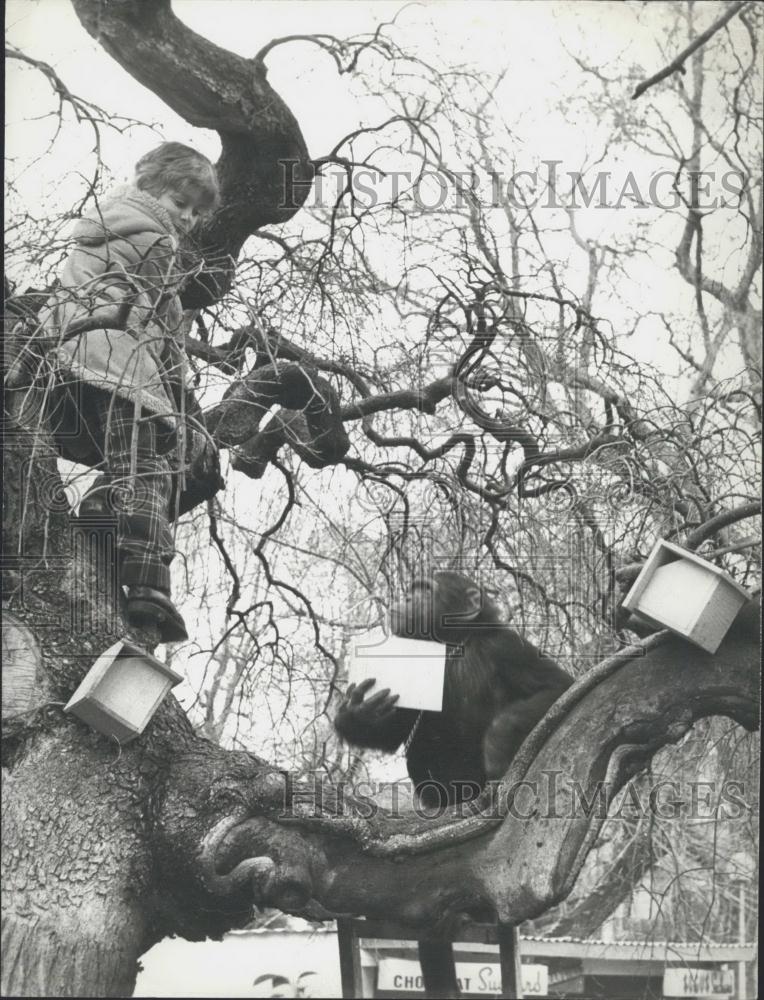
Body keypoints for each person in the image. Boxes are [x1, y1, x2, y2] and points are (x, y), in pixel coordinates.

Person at [37, 141, 221, 642]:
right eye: (179, 203)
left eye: (195, 212)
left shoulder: (101, 226)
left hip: (67, 352)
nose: (185, 218)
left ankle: (102, 511)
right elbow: (165, 323)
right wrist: (178, 384)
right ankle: (149, 584)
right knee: (148, 458)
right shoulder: (157, 242)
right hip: (117, 356)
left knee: (125, 458)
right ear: (146, 186)